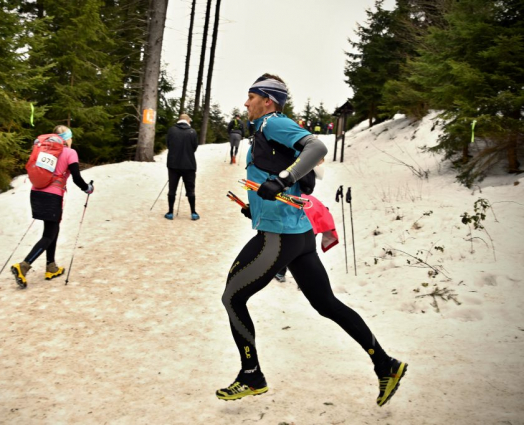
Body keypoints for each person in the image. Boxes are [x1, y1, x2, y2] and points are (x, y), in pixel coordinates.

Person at [216, 74, 407, 407]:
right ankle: (386, 364)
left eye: (250, 97)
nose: (245, 103)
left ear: (267, 100)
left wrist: (284, 178)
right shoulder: (265, 129)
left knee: (232, 298)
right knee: (326, 304)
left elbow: (317, 147)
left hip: (279, 237)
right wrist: (258, 207)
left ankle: (251, 375)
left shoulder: (272, 123)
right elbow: (273, 178)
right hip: (297, 233)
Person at [11, 125, 94, 289]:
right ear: (67, 138)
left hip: (36, 193)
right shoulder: (70, 152)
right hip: (53, 196)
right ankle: (23, 266)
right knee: (49, 234)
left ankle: (51, 266)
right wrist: (88, 188)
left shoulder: (44, 151)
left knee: (51, 229)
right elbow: (76, 177)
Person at [165, 114, 200, 221]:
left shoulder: (171, 130)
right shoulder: (192, 132)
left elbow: (168, 144)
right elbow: (195, 147)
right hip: (189, 165)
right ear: (188, 121)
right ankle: (193, 212)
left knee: (172, 189)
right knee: (190, 190)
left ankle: (170, 212)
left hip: (173, 164)